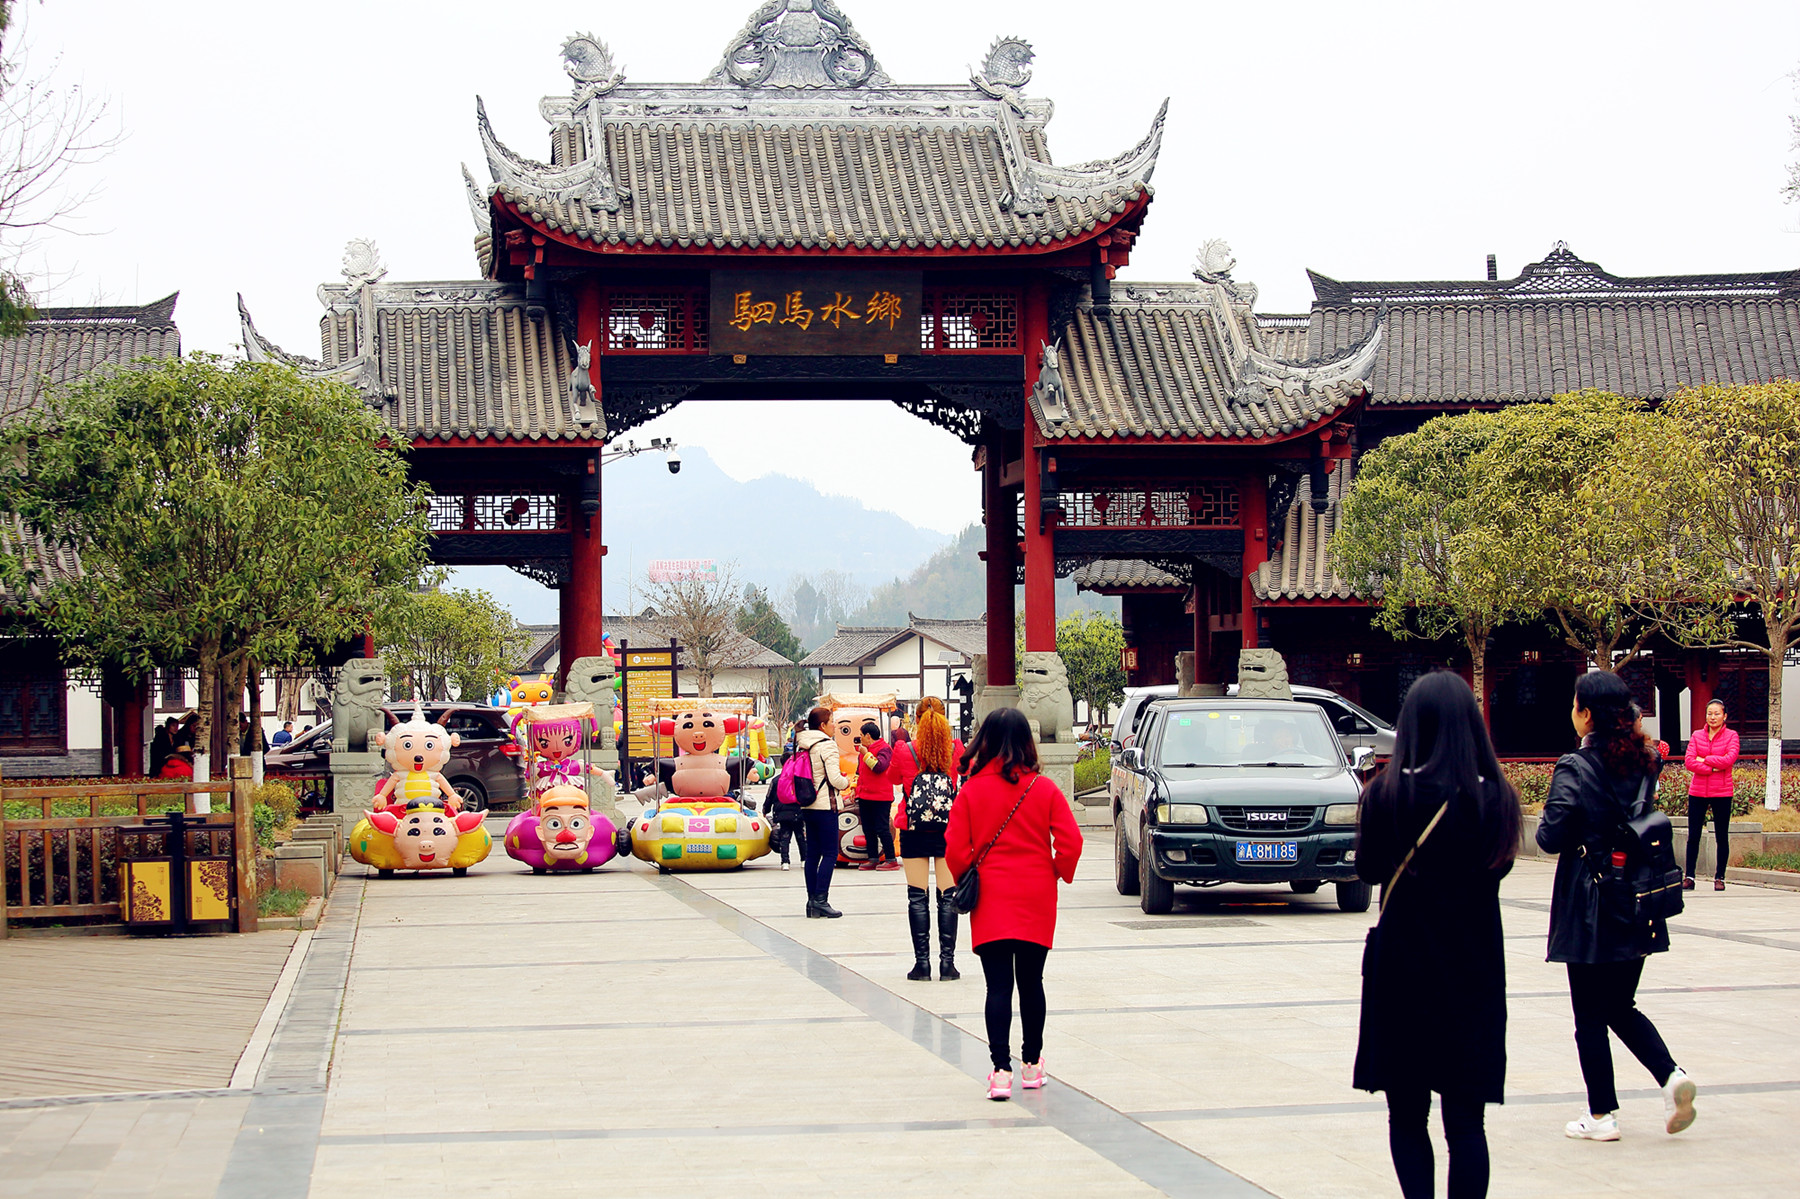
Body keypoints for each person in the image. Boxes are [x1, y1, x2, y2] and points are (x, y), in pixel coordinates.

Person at [1353, 672, 1519, 1199]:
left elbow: (1368, 870)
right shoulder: (1497, 798)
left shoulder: (1386, 794)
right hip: (1474, 972)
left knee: (1406, 1115)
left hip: (1403, 971)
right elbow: (1499, 868)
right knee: (1467, 1123)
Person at [1538, 670, 1697, 1142]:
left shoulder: (1574, 765)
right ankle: (1670, 1076)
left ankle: (1601, 1115)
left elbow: (1549, 836)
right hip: (1639, 895)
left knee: (1590, 1015)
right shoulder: (1645, 760)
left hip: (1590, 901)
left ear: (1586, 713)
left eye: (1575, 704)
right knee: (1619, 1004)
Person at [946, 707, 1082, 1101]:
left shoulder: (971, 791)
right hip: (1036, 894)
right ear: (1027, 741)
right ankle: (1033, 1064)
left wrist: (969, 874)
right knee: (1032, 982)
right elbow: (1071, 842)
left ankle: (1001, 1071)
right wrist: (1056, 871)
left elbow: (955, 850)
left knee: (998, 986)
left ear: (985, 741)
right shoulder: (1044, 788)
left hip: (991, 895)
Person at [896, 703, 961, 981]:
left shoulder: (905, 750)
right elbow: (967, 772)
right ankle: (948, 965)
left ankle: (922, 965)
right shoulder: (955, 749)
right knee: (948, 896)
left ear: (918, 720)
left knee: (917, 896)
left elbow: (892, 777)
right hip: (948, 829)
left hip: (913, 828)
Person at [794, 706, 852, 918]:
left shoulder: (803, 743)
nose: (834, 725)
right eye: (832, 721)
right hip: (825, 806)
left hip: (807, 805)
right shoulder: (827, 745)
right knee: (829, 853)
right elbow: (835, 779)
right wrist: (847, 782)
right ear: (822, 725)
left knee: (812, 854)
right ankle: (821, 900)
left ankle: (811, 901)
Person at [1682, 699, 1738, 891]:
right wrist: (1713, 767)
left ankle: (1720, 877)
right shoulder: (1697, 735)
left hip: (1722, 792)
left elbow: (1729, 760)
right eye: (1709, 713)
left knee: (1721, 836)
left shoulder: (1732, 736)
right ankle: (1689, 876)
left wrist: (1704, 759)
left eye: (1717, 713)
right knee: (1693, 836)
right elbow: (1689, 761)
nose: (1712, 717)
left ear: (1725, 716)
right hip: (1697, 791)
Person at [854, 720, 899, 871]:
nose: (860, 738)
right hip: (865, 795)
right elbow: (859, 772)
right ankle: (872, 858)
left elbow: (879, 766)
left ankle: (891, 859)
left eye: (861, 735)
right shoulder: (864, 751)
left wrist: (866, 754)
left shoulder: (884, 749)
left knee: (882, 828)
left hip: (881, 796)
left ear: (868, 736)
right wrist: (855, 789)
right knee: (868, 829)